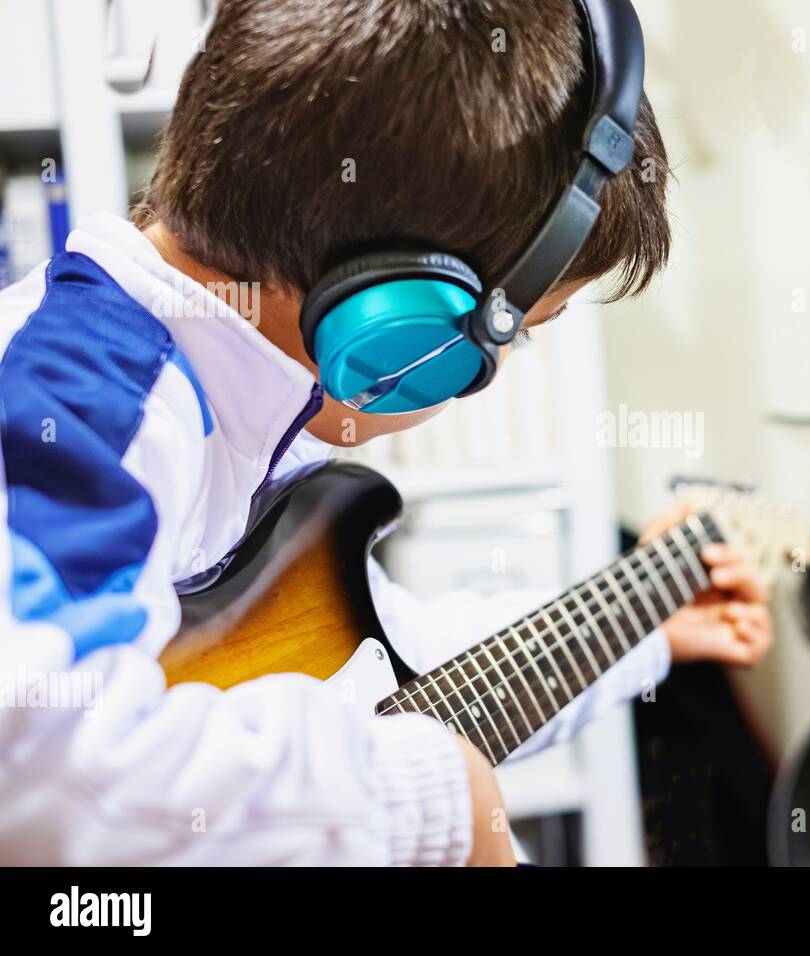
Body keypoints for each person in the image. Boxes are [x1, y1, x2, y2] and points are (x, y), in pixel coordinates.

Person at [0, 0, 770, 866]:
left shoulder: (232, 391)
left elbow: (374, 667)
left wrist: (647, 624)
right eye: (521, 330)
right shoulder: (81, 403)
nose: (499, 373)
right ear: (401, 323)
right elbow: (37, 767)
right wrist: (433, 799)